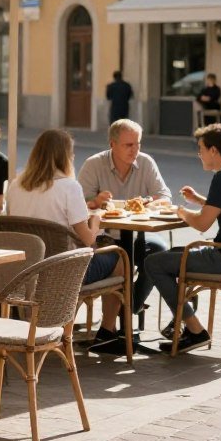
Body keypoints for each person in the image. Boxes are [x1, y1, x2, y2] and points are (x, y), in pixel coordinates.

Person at [145, 123, 221, 354]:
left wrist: (179, 211)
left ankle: (195, 330)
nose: (199, 154)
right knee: (174, 254)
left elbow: (203, 224)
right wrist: (200, 200)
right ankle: (183, 321)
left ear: (213, 150)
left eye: (201, 149)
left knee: (154, 262)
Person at [5, 129, 125, 350]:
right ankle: (107, 331)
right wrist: (96, 220)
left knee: (86, 260)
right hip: (62, 271)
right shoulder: (69, 187)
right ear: (65, 156)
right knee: (120, 258)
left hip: (25, 272)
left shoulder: (16, 185)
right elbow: (88, 240)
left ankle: (59, 326)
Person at [77, 119, 171, 314]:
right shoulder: (94, 164)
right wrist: (95, 201)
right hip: (103, 237)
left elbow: (164, 197)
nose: (134, 150)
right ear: (112, 144)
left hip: (138, 233)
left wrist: (149, 202)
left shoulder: (145, 162)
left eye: (138, 144)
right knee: (120, 255)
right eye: (128, 145)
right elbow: (78, 203)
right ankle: (119, 315)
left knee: (159, 252)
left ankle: (130, 307)